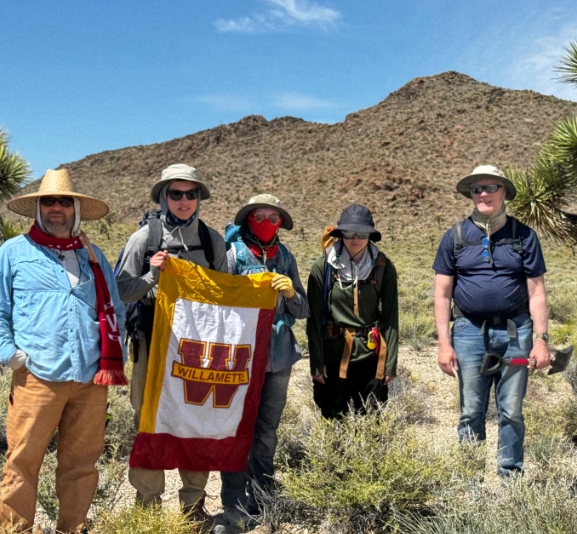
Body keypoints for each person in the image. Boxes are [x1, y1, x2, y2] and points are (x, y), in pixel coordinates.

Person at [0, 168, 127, 533]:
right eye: (49, 201)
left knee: (81, 465)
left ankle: (72, 528)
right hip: (37, 377)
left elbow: (115, 309)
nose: (56, 208)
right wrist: (9, 354)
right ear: (38, 208)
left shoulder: (93, 255)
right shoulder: (14, 252)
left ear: (75, 209)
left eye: (64, 201)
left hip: (91, 377)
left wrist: (114, 346)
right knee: (22, 463)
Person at [116, 163, 227, 527]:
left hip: (198, 347)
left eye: (190, 194)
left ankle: (193, 506)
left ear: (199, 199)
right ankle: (147, 504)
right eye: (176, 193)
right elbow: (122, 290)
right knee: (149, 419)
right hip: (153, 341)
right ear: (164, 196)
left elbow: (226, 293)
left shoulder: (213, 241)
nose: (183, 200)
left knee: (196, 418)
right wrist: (152, 274)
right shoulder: (143, 240)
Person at [432, 164, 550, 477]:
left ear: (503, 193)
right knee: (471, 410)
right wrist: (444, 344)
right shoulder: (455, 237)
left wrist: (541, 340)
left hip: (516, 333)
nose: (484, 194)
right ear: (471, 195)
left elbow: (537, 292)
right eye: (477, 189)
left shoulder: (523, 236)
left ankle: (511, 476)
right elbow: (442, 295)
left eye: (491, 188)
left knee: (511, 410)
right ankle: (470, 480)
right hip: (468, 333)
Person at [215, 194, 309, 533]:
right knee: (238, 430)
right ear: (247, 220)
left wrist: (290, 294)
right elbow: (216, 299)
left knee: (267, 430)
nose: (268, 223)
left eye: (274, 218)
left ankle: (264, 493)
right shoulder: (232, 253)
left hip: (280, 355)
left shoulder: (285, 256)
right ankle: (235, 504)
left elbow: (303, 309)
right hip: (240, 357)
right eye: (260, 216)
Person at [306, 204, 399, 419]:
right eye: (348, 232)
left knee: (371, 416)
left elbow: (391, 316)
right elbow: (314, 319)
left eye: (362, 233)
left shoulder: (382, 266)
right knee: (332, 415)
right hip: (333, 355)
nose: (355, 238)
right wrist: (317, 364)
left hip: (370, 355)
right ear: (340, 234)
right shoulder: (323, 267)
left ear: (370, 235)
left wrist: (390, 363)